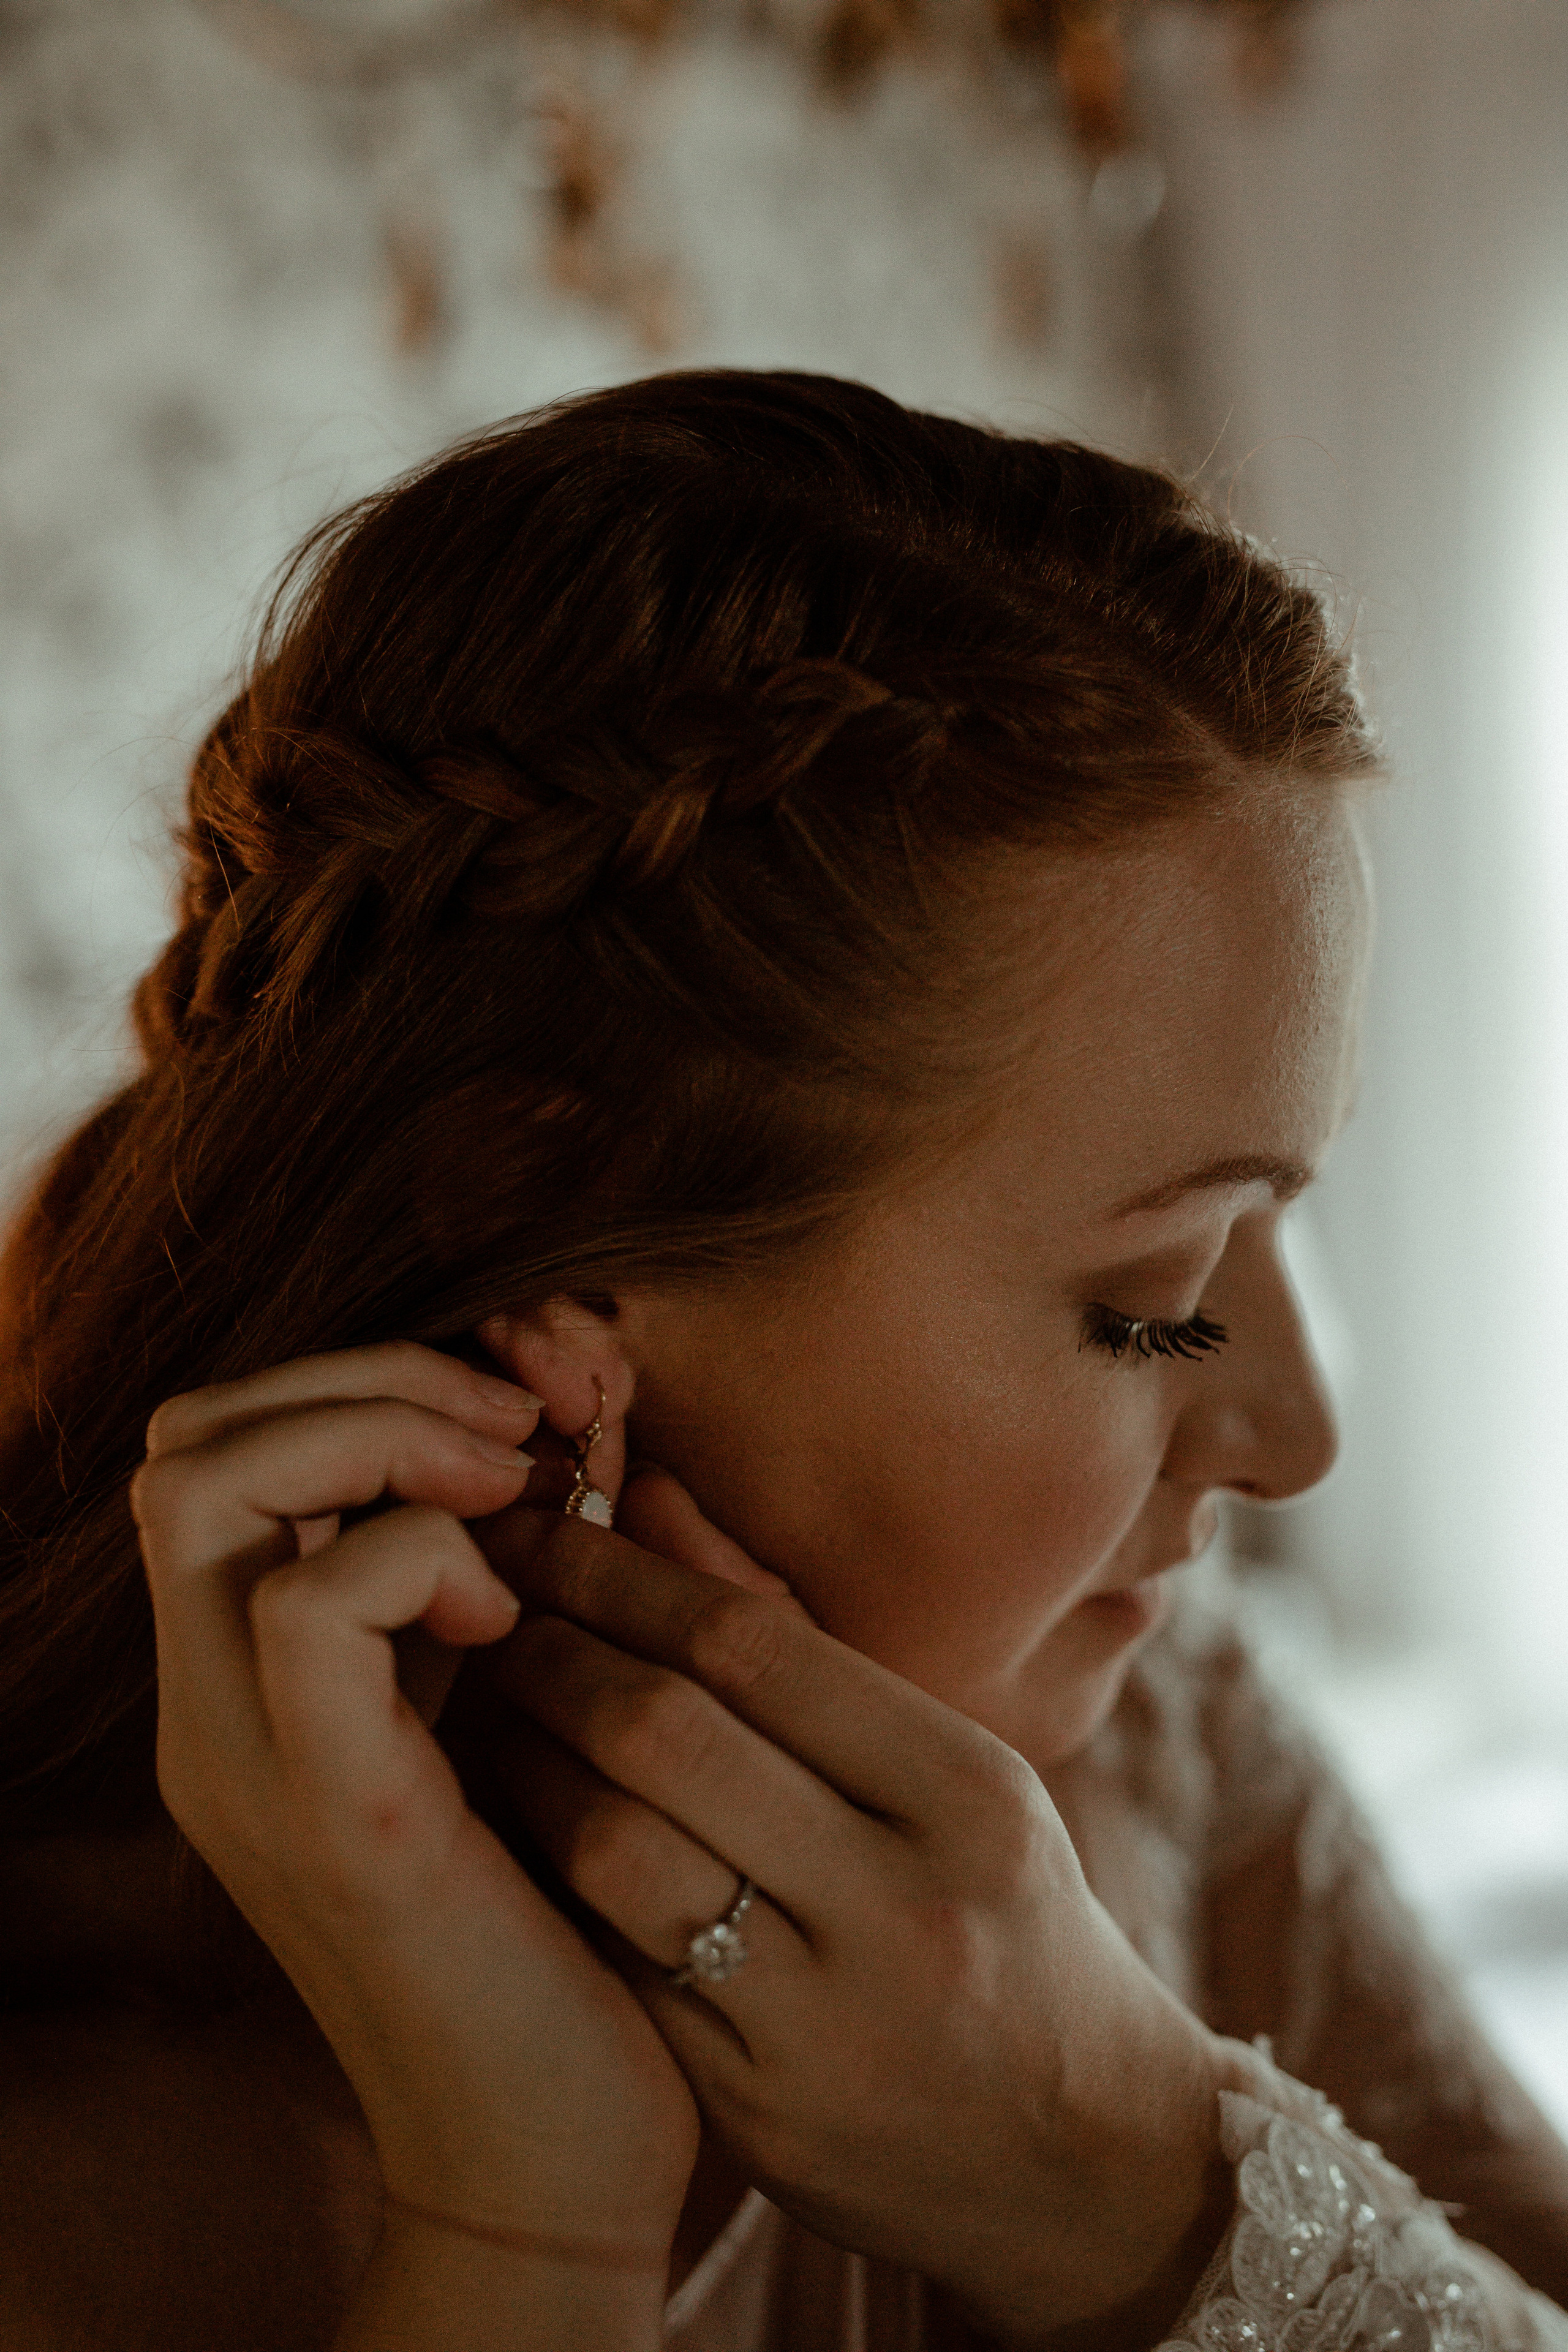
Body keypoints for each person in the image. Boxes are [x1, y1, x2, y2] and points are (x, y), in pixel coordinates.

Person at [0, 371, 1564, 2352]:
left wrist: (1154, 2192)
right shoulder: (65, 2154)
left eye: (1294, 1209)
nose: (1299, 1442)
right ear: (544, 1242)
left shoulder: (1167, 1738)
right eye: (1154, 1292)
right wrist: (519, 2222)